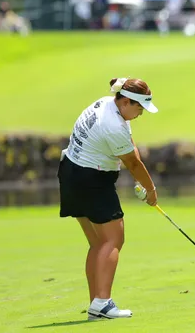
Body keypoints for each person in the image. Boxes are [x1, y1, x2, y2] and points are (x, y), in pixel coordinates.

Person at [57, 77, 159, 321]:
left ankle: (97, 303)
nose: (141, 114)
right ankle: (102, 304)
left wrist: (141, 182)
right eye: (139, 108)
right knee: (114, 239)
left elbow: (130, 148)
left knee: (98, 242)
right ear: (126, 102)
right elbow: (133, 163)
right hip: (92, 180)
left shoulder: (106, 103)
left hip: (70, 173)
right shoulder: (112, 125)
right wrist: (151, 189)